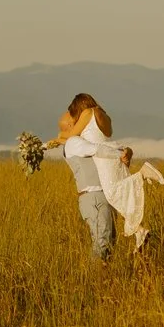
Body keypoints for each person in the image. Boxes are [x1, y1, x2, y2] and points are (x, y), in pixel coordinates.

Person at [47, 93, 129, 259]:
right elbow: (98, 149)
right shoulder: (74, 143)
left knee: (109, 242)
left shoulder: (76, 141)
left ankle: (103, 277)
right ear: (71, 126)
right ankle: (94, 277)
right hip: (94, 196)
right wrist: (120, 153)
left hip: (100, 195)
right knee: (102, 242)